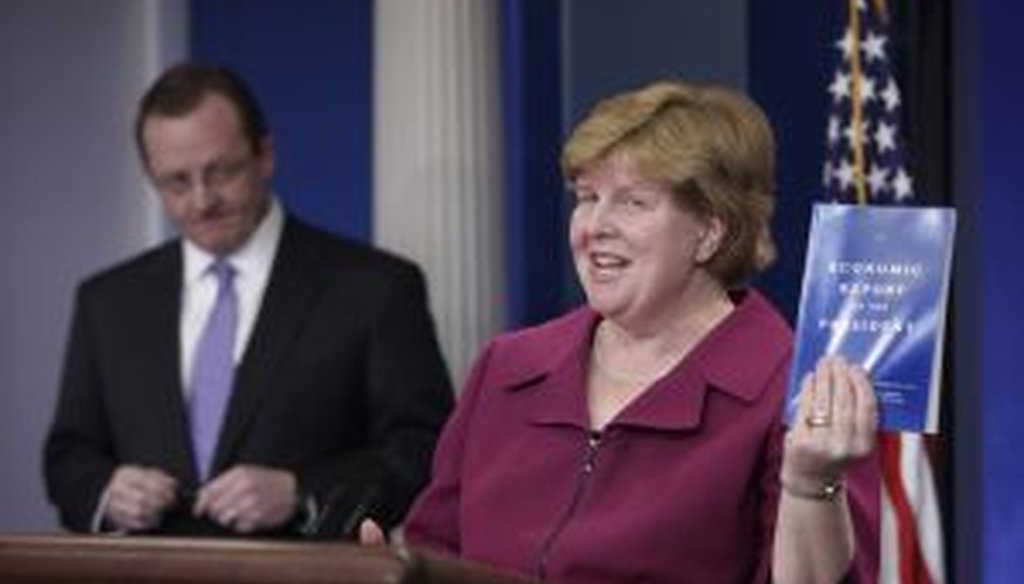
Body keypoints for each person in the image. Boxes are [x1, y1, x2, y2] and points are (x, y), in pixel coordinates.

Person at [397, 80, 880, 583]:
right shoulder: (508, 369)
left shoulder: (801, 391)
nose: (594, 226)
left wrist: (809, 483)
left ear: (709, 233)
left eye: (633, 203)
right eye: (587, 197)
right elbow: (435, 549)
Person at [43, 62, 454, 537]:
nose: (201, 200)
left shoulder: (376, 288)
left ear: (265, 156)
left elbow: (427, 451)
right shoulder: (106, 302)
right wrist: (107, 492)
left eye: (221, 172)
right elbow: (68, 456)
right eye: (176, 181)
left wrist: (302, 493)